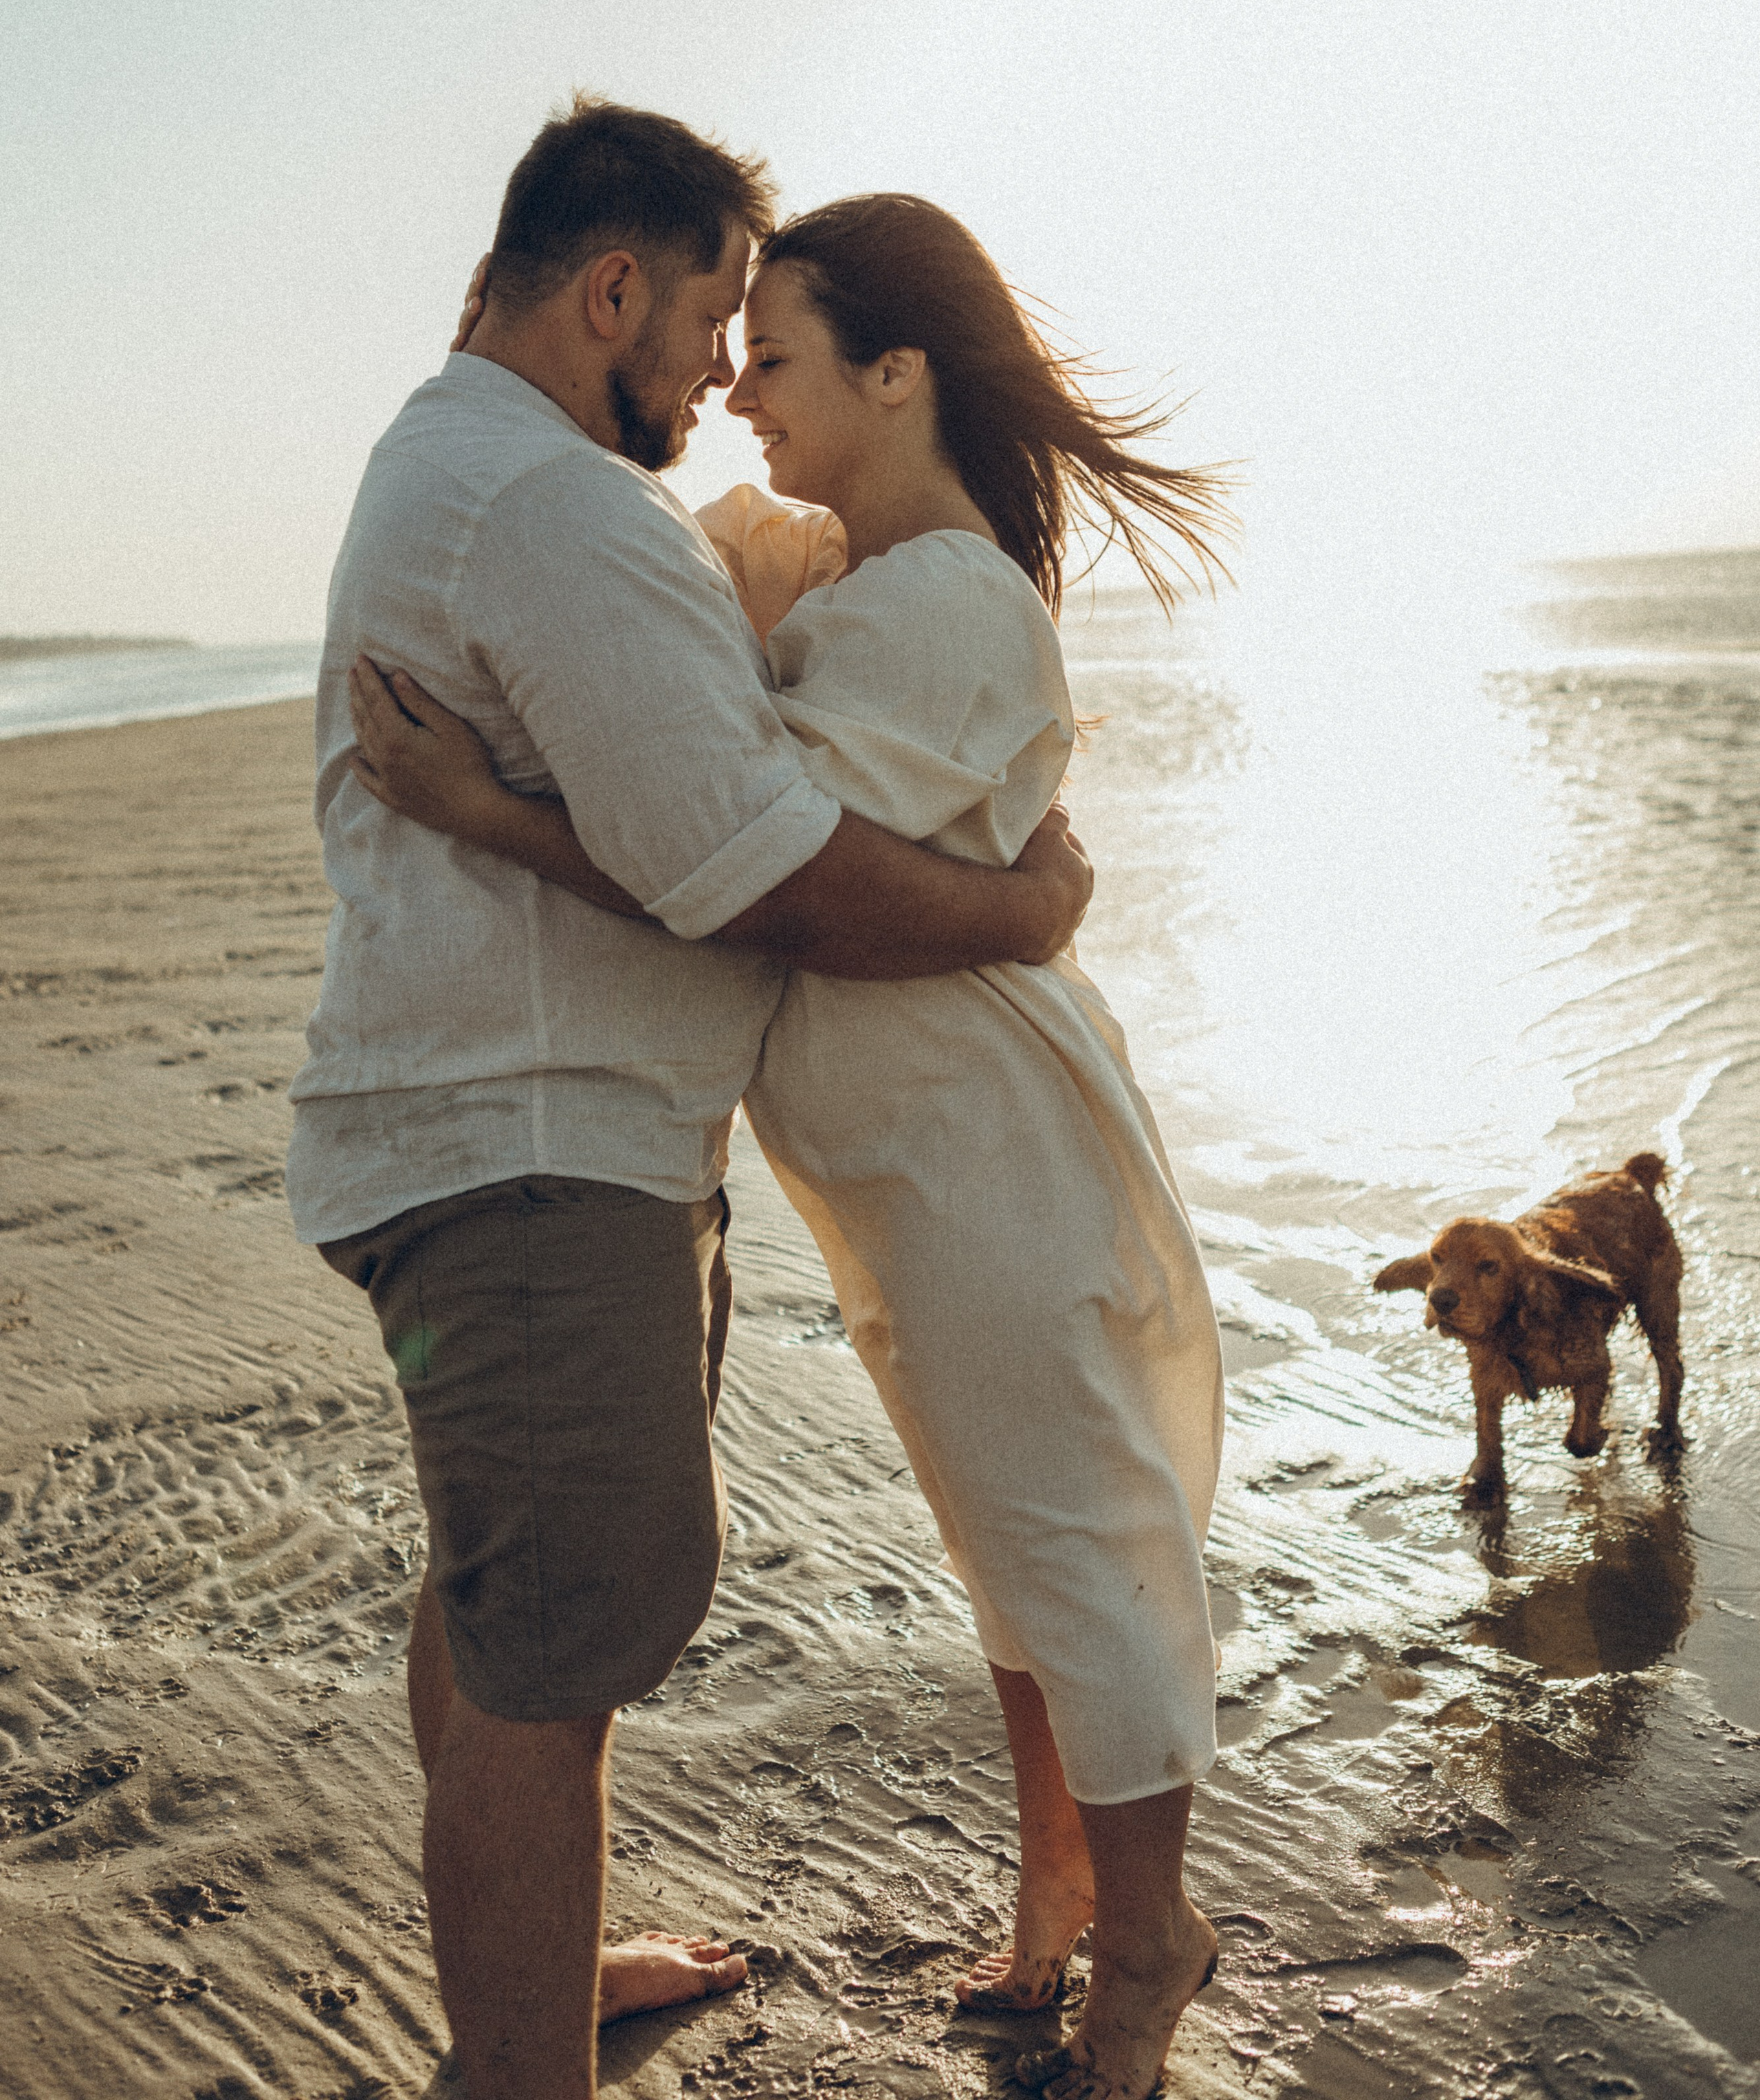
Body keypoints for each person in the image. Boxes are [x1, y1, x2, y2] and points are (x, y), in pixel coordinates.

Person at [346, 190, 1231, 2100]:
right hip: (901, 1174)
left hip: (982, 1149)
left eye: (779, 355)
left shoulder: (943, 604)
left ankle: (1154, 1940)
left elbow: (758, 878)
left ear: (897, 373)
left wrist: (481, 806)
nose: (741, 391)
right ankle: (1063, 1898)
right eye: (728, 351)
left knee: (1078, 1539)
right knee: (1016, 1541)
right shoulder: (855, 583)